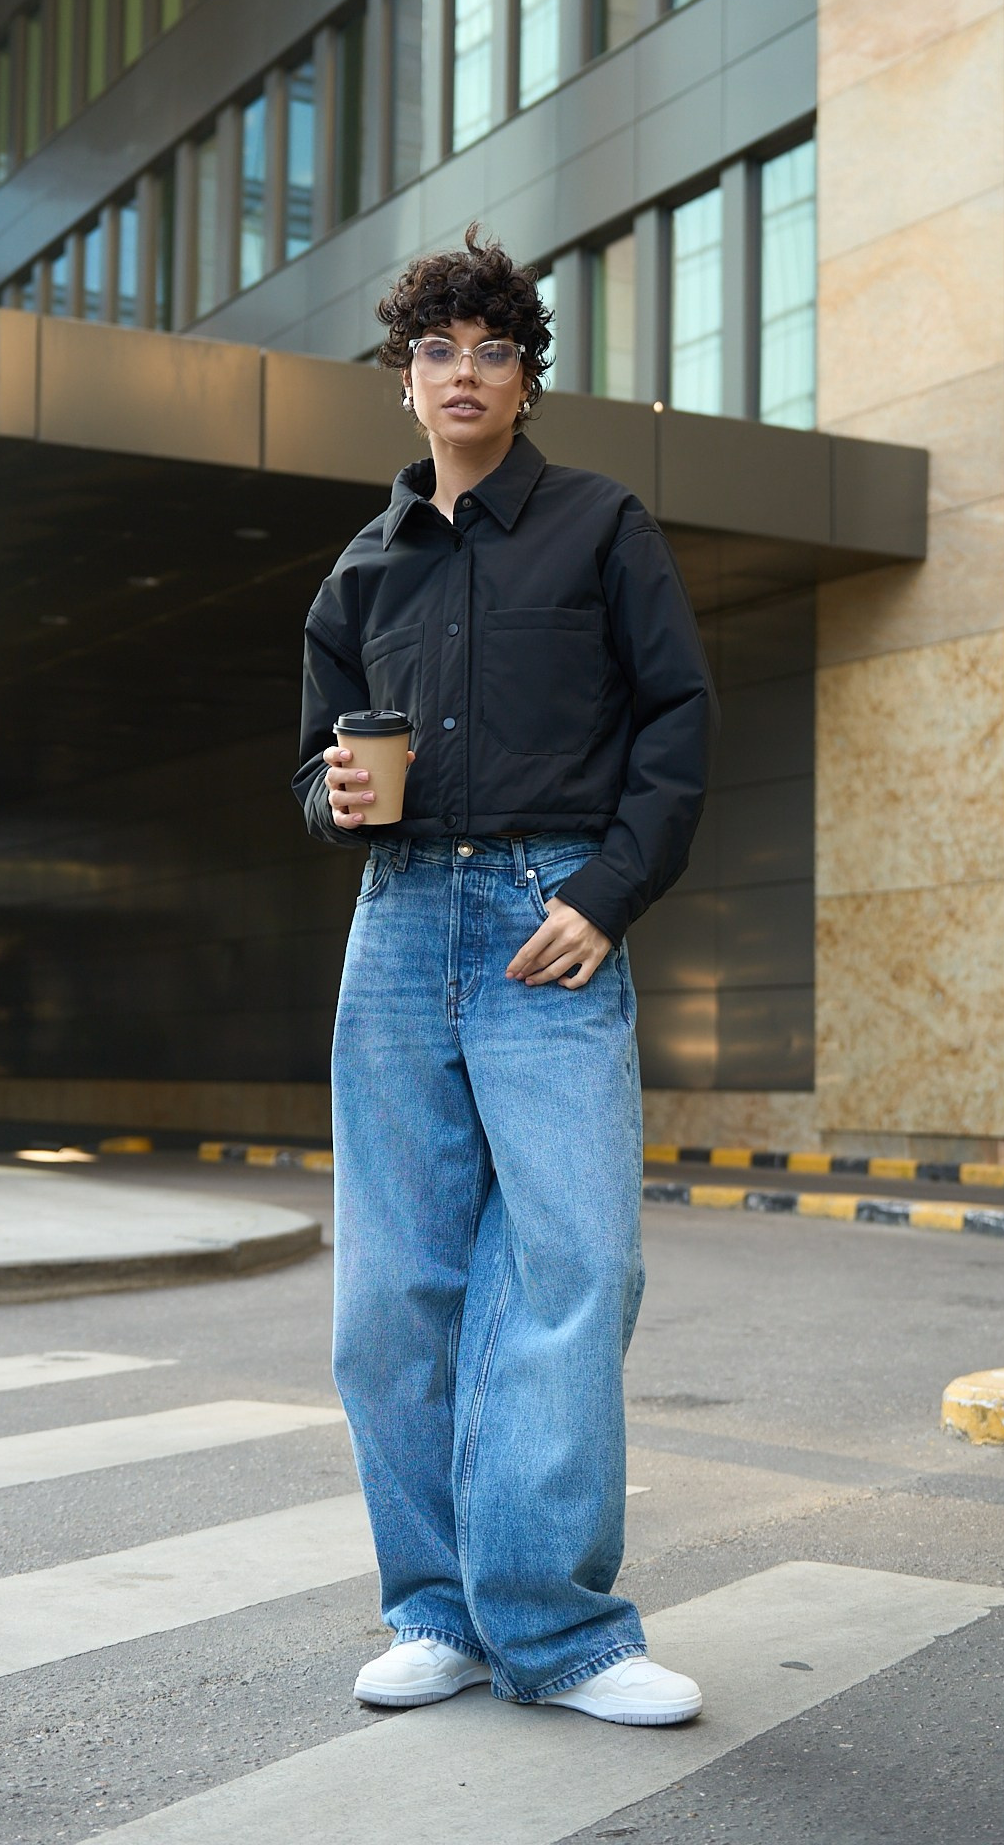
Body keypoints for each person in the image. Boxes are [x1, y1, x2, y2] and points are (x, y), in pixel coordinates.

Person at [292, 224, 716, 1727]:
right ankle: (436, 1612)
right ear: (404, 381)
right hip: (401, 922)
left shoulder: (603, 525)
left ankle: (562, 1628)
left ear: (526, 379)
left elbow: (678, 720)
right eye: (436, 351)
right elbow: (315, 769)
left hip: (549, 916)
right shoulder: (361, 571)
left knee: (576, 1263)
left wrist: (608, 892)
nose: (463, 373)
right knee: (392, 1288)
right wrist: (335, 797)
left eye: (492, 351)